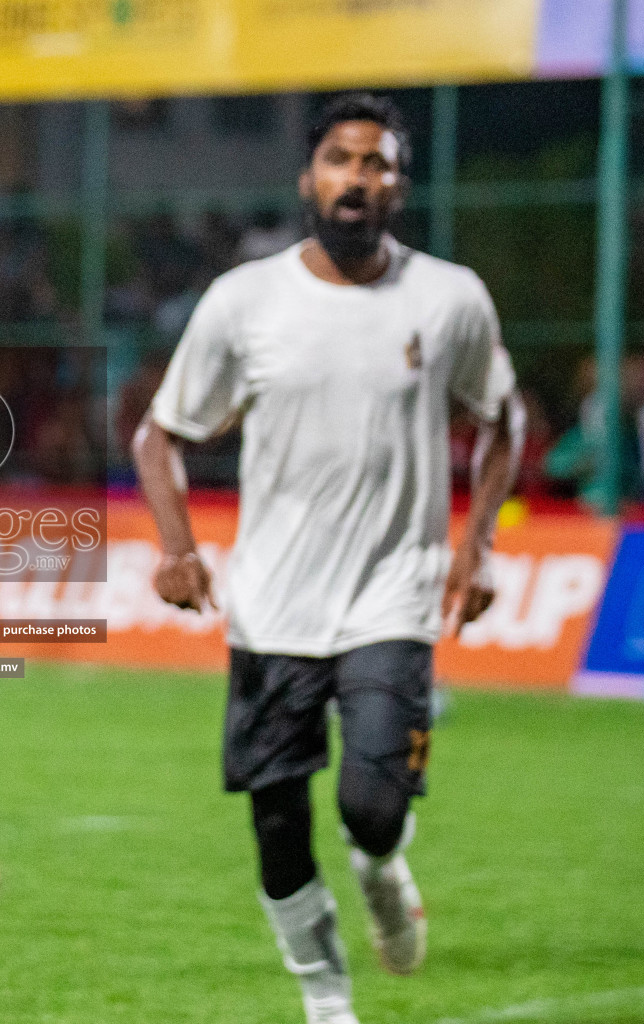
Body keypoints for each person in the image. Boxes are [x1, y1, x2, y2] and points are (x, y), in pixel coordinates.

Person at [131, 95, 522, 1024]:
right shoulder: (245, 300)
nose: (359, 177)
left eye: (378, 163)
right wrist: (178, 551)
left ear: (401, 185)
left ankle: (383, 867)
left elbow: (503, 419)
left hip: (394, 596)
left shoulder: (450, 297)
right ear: (309, 179)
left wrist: (480, 546)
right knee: (276, 824)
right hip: (273, 606)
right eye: (342, 160)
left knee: (372, 806)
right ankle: (327, 1001)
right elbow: (161, 436)